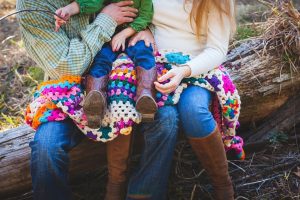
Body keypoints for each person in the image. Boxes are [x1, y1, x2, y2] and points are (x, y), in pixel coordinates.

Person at [16, 0, 178, 200]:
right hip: (68, 92)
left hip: (125, 77)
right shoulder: (34, 6)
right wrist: (106, 19)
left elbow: (148, 8)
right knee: (46, 147)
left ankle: (143, 194)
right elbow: (66, 67)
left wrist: (148, 30)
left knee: (167, 119)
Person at [127, 0, 237, 199]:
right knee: (163, 116)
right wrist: (145, 29)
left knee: (194, 110)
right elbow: (137, 11)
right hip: (155, 63)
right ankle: (146, 193)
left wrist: (184, 71)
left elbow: (217, 50)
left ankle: (223, 185)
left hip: (197, 68)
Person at [54, 0, 157, 128]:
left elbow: (145, 16)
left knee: (144, 53)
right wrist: (69, 9)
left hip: (133, 35)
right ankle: (95, 102)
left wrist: (124, 34)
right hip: (109, 36)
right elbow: (92, 3)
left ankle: (146, 96)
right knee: (100, 59)